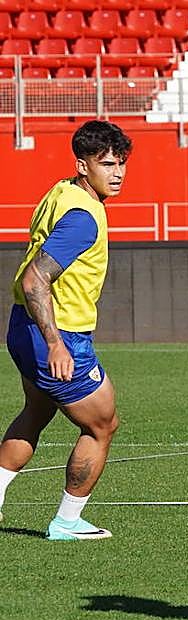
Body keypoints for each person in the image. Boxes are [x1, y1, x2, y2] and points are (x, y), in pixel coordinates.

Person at [0, 120, 131, 540]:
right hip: (54, 334)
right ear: (82, 165)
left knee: (37, 411)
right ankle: (67, 522)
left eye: (121, 163)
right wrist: (57, 344)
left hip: (24, 327)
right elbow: (35, 279)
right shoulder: (84, 217)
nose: (117, 172)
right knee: (102, 425)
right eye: (106, 163)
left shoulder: (61, 190)